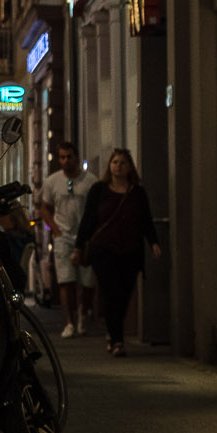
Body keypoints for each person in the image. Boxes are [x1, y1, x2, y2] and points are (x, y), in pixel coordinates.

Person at [70, 148, 160, 358]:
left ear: (129, 167)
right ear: (109, 166)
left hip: (130, 251)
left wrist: (154, 242)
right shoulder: (99, 190)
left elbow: (145, 220)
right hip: (104, 251)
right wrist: (78, 247)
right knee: (111, 294)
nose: (118, 166)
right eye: (115, 162)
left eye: (122, 163)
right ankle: (117, 340)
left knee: (124, 295)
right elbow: (88, 220)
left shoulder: (137, 192)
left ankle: (113, 333)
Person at [36, 141, 87, 336]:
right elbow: (44, 208)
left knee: (86, 280)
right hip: (62, 236)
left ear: (76, 157)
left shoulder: (88, 181)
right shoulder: (52, 181)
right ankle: (69, 322)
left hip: (83, 236)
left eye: (69, 157)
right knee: (66, 280)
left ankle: (83, 313)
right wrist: (55, 229)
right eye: (62, 157)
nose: (65, 161)